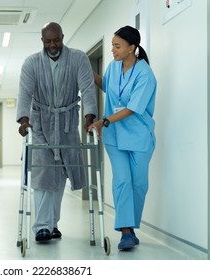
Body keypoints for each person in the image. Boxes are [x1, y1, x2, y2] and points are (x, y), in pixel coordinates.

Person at [16, 22, 97, 242]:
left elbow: (88, 88)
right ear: (42, 40)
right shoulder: (31, 63)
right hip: (40, 123)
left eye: (57, 40)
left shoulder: (78, 58)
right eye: (48, 41)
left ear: (63, 36)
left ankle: (52, 223)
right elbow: (24, 93)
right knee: (43, 172)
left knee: (60, 173)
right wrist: (24, 121)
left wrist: (90, 117)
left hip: (67, 122)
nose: (53, 45)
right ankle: (42, 226)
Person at [89, 25, 157, 251]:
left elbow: (132, 108)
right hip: (115, 137)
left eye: (117, 46)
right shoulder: (113, 67)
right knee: (122, 181)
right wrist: (86, 71)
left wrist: (103, 121)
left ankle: (131, 227)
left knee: (138, 184)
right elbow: (107, 86)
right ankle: (126, 232)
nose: (113, 50)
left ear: (132, 48)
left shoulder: (145, 74)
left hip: (138, 136)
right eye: (112, 45)